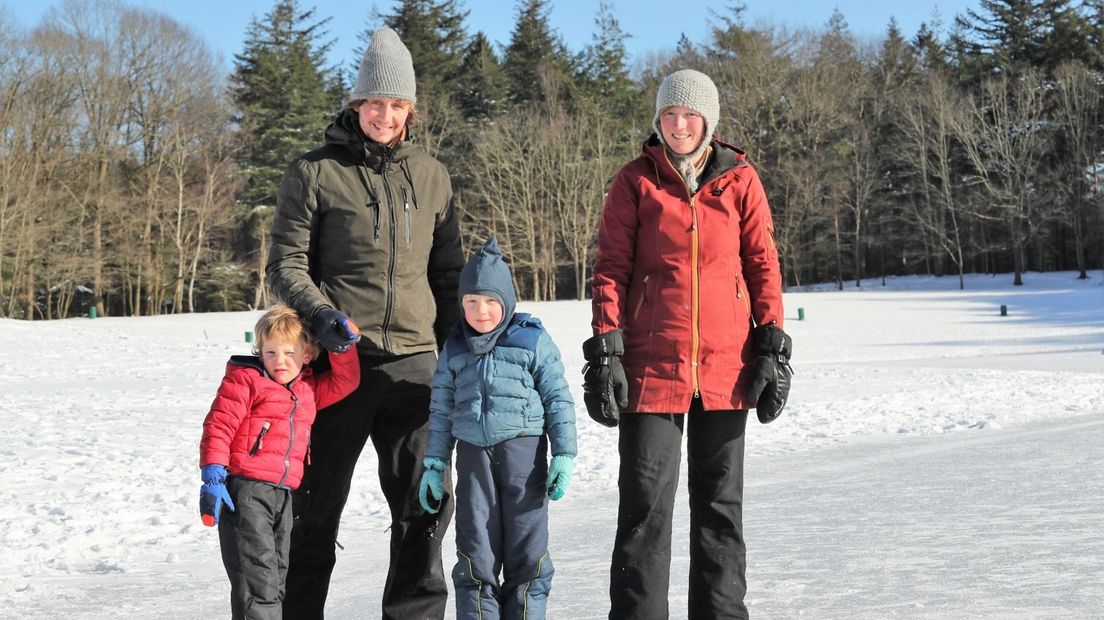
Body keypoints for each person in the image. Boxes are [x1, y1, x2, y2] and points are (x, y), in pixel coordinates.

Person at [266, 26, 465, 620]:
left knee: (425, 505)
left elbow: (449, 271)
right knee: (314, 506)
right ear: (356, 105)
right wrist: (321, 314)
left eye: (398, 104)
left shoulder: (432, 175)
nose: (386, 115)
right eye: (375, 103)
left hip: (415, 366)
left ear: (410, 110)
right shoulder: (314, 171)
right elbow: (285, 262)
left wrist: (461, 344)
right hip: (338, 364)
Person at [582, 68, 793, 619]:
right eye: (670, 115)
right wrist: (607, 348)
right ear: (658, 120)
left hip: (727, 366)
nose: (679, 125)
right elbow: (611, 268)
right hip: (652, 367)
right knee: (645, 510)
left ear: (709, 123)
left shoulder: (740, 180)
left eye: (690, 116)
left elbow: (762, 263)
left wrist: (771, 344)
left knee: (721, 509)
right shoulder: (636, 181)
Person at [418, 238, 577, 619]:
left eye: (490, 301)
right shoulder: (455, 348)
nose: (481, 311)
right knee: (476, 555)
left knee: (527, 553)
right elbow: (440, 411)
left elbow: (558, 398)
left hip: (525, 461)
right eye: (471, 302)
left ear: (506, 300)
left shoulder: (532, 340)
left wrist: (565, 454)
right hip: (473, 461)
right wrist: (436, 463)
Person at [198, 304, 361, 620]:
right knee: (257, 581)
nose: (279, 361)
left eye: (289, 353)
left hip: (283, 495)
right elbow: (219, 423)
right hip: (246, 491)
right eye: (270, 352)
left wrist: (341, 347)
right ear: (259, 352)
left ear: (307, 355)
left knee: (276, 578)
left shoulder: (307, 390)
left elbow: (346, 381)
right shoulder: (246, 380)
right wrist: (214, 473)